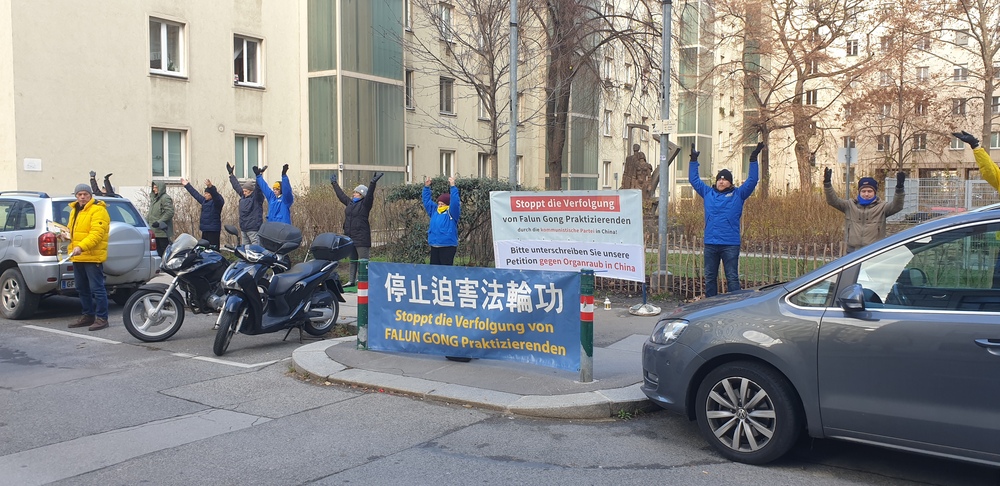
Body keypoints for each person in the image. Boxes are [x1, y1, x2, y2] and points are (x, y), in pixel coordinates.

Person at [689, 142, 760, 297]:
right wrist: (693, 161)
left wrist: (753, 159)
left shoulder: (738, 194)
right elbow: (694, 180)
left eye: (725, 179)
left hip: (730, 244)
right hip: (711, 243)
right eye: (719, 179)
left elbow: (752, 181)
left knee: (732, 278)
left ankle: (736, 306)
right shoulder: (708, 193)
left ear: (730, 182)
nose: (721, 181)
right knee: (710, 278)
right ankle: (710, 306)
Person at [824, 168, 905, 253]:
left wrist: (899, 189)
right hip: (852, 250)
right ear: (859, 192)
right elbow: (833, 201)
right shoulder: (850, 205)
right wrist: (827, 184)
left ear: (875, 192)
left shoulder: (882, 207)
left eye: (870, 191)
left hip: (874, 250)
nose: (866, 194)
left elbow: (897, 206)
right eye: (863, 191)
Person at [64, 184, 111, 331]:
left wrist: (81, 247)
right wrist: (65, 236)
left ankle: (102, 318)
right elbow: (74, 232)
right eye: (79, 194)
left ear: (90, 195)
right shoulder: (74, 211)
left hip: (92, 256)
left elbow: (96, 234)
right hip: (77, 256)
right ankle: (88, 315)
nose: (82, 197)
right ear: (76, 196)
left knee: (97, 288)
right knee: (81, 288)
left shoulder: (98, 210)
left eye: (85, 194)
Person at [331, 171, 384, 287]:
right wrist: (334, 183)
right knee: (352, 260)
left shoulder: (365, 204)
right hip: (350, 237)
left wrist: (372, 183)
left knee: (363, 261)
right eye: (354, 192)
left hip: (361, 237)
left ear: (361, 194)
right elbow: (341, 196)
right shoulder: (350, 203)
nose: (353, 194)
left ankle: (364, 281)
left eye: (356, 192)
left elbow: (370, 195)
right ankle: (351, 281)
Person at [422, 176, 461, 266]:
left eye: (442, 204)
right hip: (434, 245)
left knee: (445, 272)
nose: (439, 205)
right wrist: (426, 187)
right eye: (439, 203)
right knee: (434, 271)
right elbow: (426, 201)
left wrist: (453, 186)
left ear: (447, 204)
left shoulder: (451, 212)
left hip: (447, 246)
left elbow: (455, 202)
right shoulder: (434, 211)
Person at [180, 178, 225, 249]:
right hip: (205, 229)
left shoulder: (217, 202)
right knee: (204, 249)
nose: (205, 195)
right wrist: (187, 185)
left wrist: (211, 187)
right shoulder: (204, 201)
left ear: (211, 194)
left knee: (213, 249)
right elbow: (195, 194)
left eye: (207, 193)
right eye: (205, 193)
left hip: (213, 230)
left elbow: (216, 196)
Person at [227, 163, 264, 245]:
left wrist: (259, 176)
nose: (244, 193)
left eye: (246, 191)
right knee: (245, 250)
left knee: (256, 249)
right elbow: (236, 186)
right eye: (243, 191)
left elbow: (258, 189)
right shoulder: (243, 196)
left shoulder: (256, 198)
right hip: (244, 229)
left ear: (251, 191)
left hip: (253, 229)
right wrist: (231, 175)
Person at [146, 181, 175, 257]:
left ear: (160, 188)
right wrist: (144, 222)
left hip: (162, 231)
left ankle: (166, 266)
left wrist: (159, 222)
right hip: (154, 230)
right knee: (157, 252)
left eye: (156, 187)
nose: (154, 189)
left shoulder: (165, 198)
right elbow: (150, 214)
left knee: (164, 252)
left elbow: (170, 212)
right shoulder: (154, 199)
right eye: (153, 187)